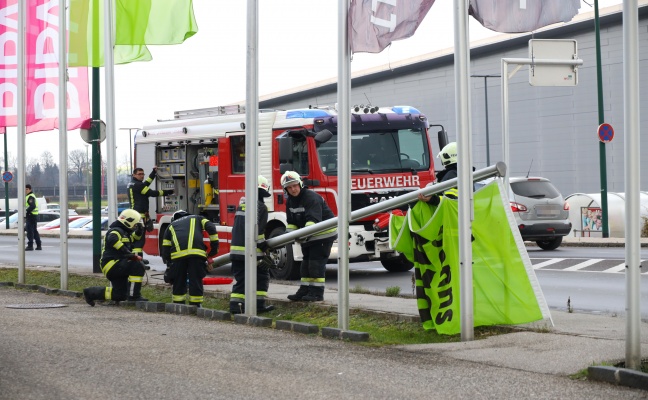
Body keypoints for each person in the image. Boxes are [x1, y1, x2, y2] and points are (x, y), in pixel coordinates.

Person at [281, 171, 337, 302]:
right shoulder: (290, 201)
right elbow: (292, 223)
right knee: (305, 265)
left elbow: (313, 222)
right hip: (308, 237)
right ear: (286, 189)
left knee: (315, 265)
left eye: (295, 185)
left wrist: (302, 235)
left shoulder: (311, 198)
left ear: (300, 184)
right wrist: (287, 237)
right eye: (289, 187)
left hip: (323, 235)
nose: (293, 189)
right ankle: (304, 290)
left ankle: (317, 293)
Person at [228, 176, 275, 314]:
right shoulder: (261, 207)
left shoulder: (243, 205)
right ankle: (250, 306)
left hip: (236, 252)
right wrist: (266, 248)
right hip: (249, 252)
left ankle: (239, 306)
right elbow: (258, 233)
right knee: (261, 277)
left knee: (242, 280)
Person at [83, 209, 148, 306]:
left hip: (117, 265)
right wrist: (128, 253)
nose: (135, 227)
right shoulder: (116, 231)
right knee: (137, 266)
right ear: (129, 221)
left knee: (120, 295)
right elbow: (112, 240)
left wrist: (140, 230)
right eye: (135, 224)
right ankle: (134, 296)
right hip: (112, 264)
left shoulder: (125, 233)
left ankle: (91, 293)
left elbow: (135, 238)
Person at [127, 166, 174, 297]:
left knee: (139, 240)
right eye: (140, 174)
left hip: (138, 215)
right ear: (134, 175)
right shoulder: (137, 186)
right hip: (139, 216)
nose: (142, 176)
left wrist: (153, 172)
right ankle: (138, 262)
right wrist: (168, 192)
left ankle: (139, 259)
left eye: (143, 174)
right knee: (139, 240)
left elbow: (146, 183)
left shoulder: (135, 184)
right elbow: (152, 193)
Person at [161, 210, 219, 308]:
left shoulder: (170, 226)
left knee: (178, 281)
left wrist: (169, 266)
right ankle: (195, 306)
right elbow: (211, 227)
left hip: (177, 257)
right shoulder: (198, 218)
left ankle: (178, 306)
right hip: (196, 254)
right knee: (195, 280)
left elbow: (165, 250)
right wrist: (214, 249)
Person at [24, 184, 42, 251]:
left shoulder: (30, 197)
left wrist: (26, 211)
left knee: (30, 231)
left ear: (30, 189)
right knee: (34, 231)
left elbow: (32, 206)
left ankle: (30, 245)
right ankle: (39, 245)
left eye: (27, 189)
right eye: (25, 189)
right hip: (33, 216)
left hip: (31, 215)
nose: (26, 191)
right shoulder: (30, 196)